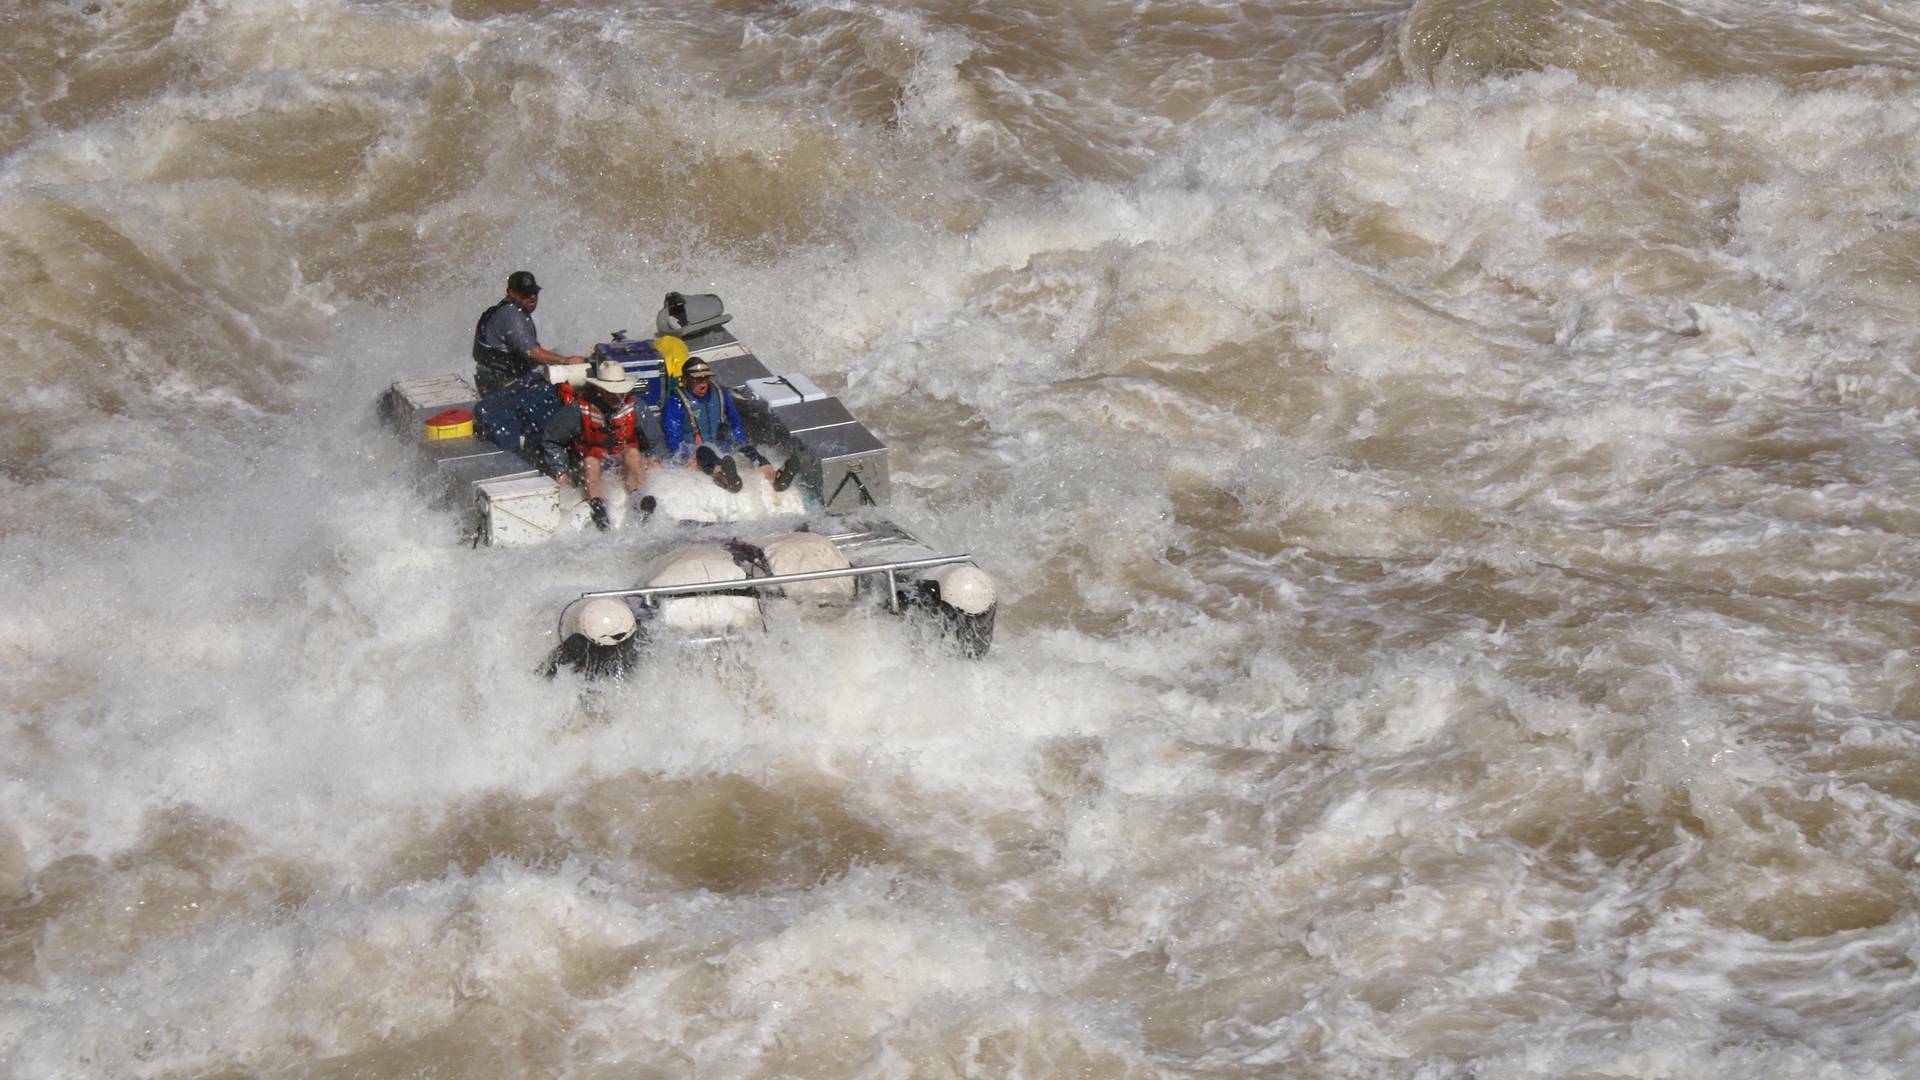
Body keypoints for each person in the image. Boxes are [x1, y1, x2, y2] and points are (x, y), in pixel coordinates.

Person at [539, 359, 654, 530]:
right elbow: (551, 440)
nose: (617, 397)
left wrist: (655, 458)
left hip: (623, 464)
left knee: (633, 454)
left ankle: (639, 501)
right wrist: (560, 471)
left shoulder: (636, 407)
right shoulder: (578, 410)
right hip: (590, 466)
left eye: (620, 392)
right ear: (600, 390)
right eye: (611, 393)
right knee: (590, 462)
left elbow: (655, 440)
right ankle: (599, 508)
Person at [660, 356, 776, 493]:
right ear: (685, 380)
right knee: (705, 451)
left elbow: (735, 423)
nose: (703, 383)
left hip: (722, 447)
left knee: (749, 451)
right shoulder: (675, 403)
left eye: (705, 378)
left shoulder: (721, 394)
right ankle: (724, 476)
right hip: (696, 453)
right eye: (697, 379)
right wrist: (685, 458)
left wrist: (742, 444)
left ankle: (772, 477)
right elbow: (673, 437)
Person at [471, 270, 586, 396]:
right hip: (500, 383)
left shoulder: (509, 310)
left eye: (534, 292)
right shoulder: (510, 315)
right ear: (511, 293)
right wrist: (566, 361)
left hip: (492, 376)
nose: (532, 296)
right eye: (525, 293)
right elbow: (532, 353)